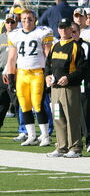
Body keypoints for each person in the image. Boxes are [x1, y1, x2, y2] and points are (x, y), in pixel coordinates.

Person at [7, 9, 53, 146]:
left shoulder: (42, 32)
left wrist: (48, 74)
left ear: (35, 19)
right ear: (20, 20)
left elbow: (48, 56)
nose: (27, 21)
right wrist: (10, 78)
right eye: (24, 19)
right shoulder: (15, 34)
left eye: (30, 18)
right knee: (24, 105)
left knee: (37, 104)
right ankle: (31, 135)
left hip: (37, 73)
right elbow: (11, 58)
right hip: (21, 73)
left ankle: (45, 136)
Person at [45, 18, 87, 158]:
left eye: (66, 28)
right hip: (55, 89)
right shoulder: (54, 46)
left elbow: (83, 69)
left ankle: (75, 148)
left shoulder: (76, 47)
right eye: (61, 27)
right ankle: (61, 146)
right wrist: (47, 76)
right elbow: (48, 66)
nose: (63, 30)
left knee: (72, 117)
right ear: (58, 29)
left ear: (71, 29)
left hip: (69, 89)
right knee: (58, 117)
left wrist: (69, 78)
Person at [71, 22, 90, 152]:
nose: (72, 34)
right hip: (65, 84)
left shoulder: (85, 45)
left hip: (83, 83)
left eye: (74, 32)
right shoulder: (62, 45)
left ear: (79, 32)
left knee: (85, 112)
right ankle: (69, 142)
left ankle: (88, 140)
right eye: (69, 31)